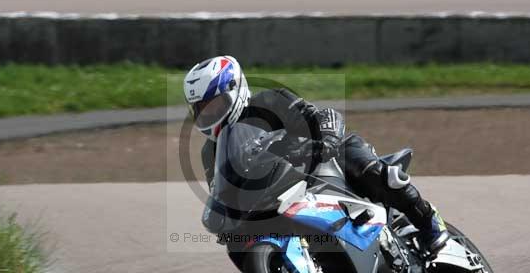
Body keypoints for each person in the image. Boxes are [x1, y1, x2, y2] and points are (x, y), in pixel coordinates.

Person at [184, 55, 449, 261]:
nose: (209, 114)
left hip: (321, 161)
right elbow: (223, 190)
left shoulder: (268, 101)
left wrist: (327, 141)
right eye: (202, 110)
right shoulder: (210, 152)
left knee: (371, 170)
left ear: (235, 89)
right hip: (277, 195)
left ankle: (428, 220)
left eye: (215, 105)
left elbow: (319, 115)